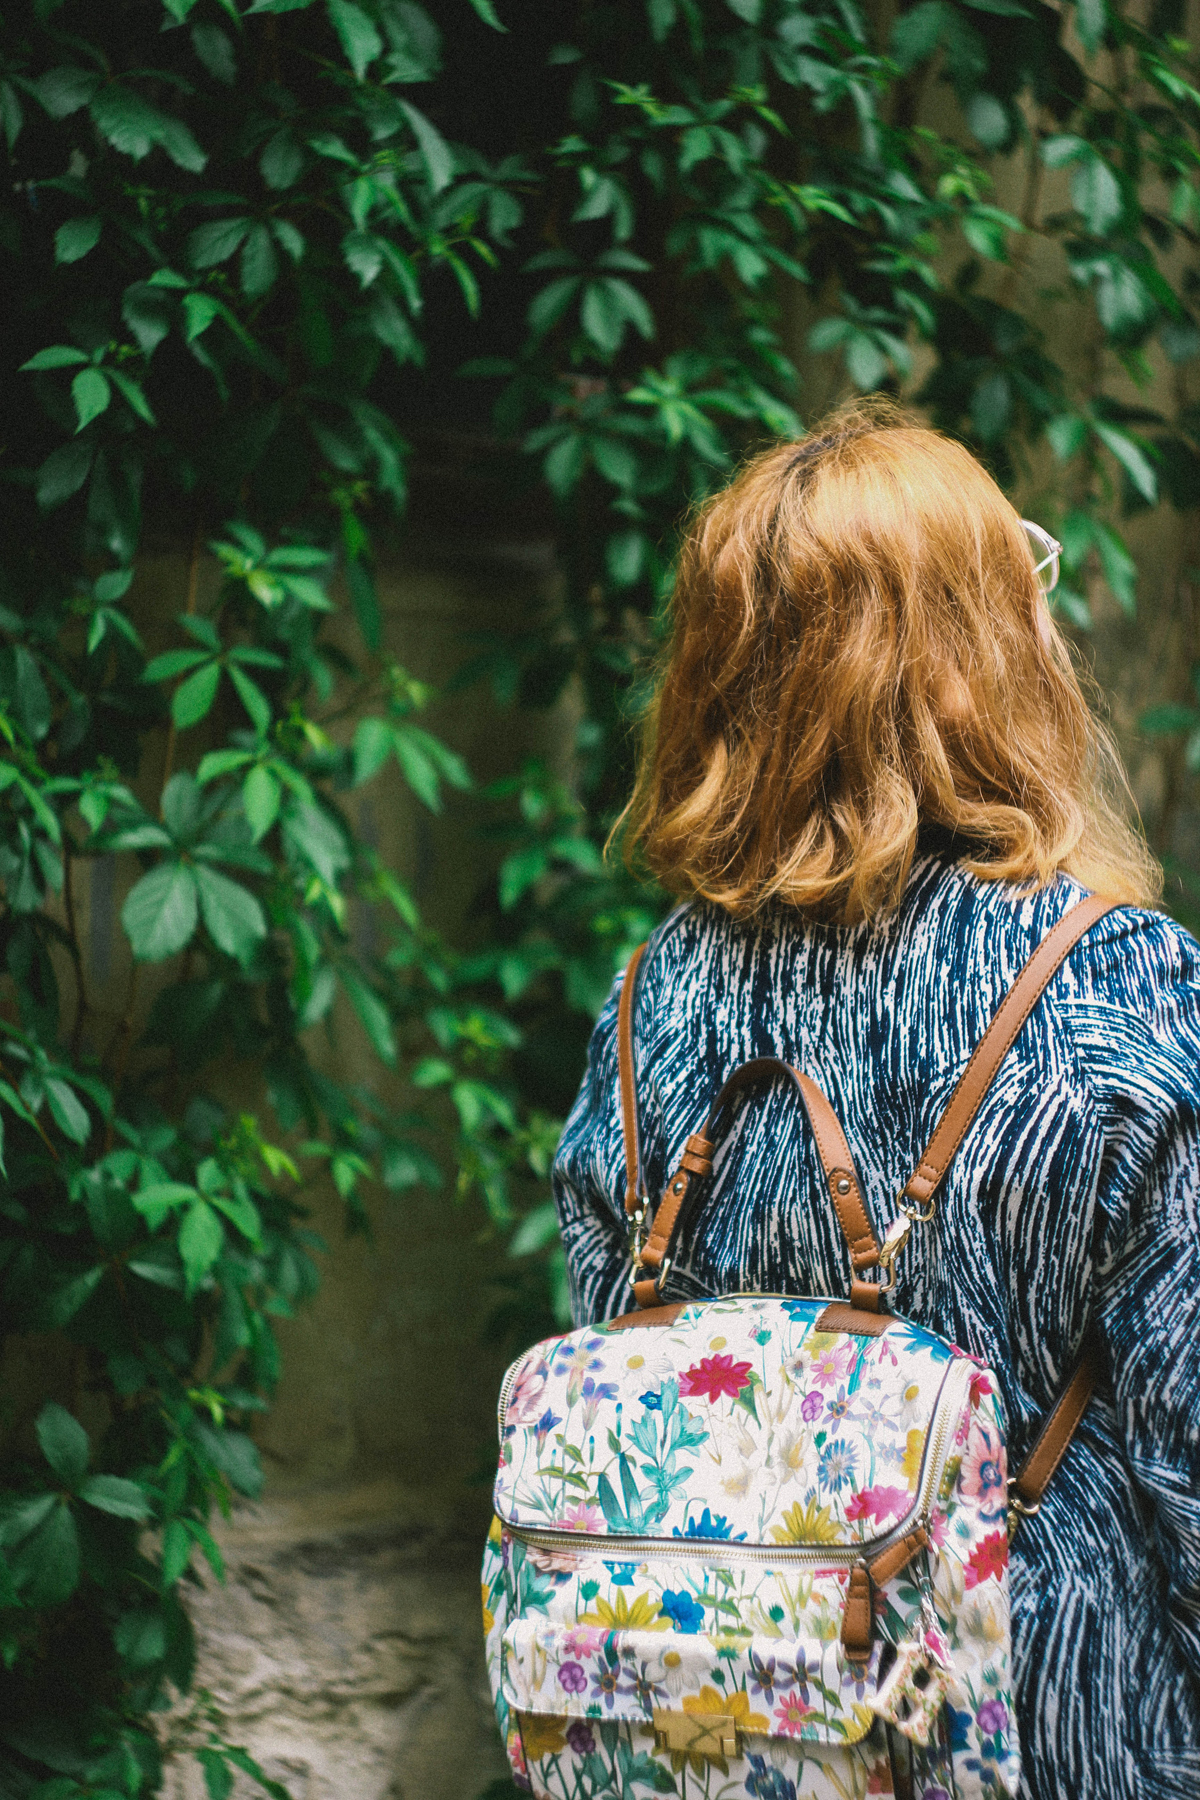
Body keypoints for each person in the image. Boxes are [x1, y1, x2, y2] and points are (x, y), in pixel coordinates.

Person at [551, 402, 1200, 1799]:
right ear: (985, 656)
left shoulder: (645, 1003)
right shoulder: (1117, 989)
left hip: (719, 1736)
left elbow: (620, 1381)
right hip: (1045, 1732)